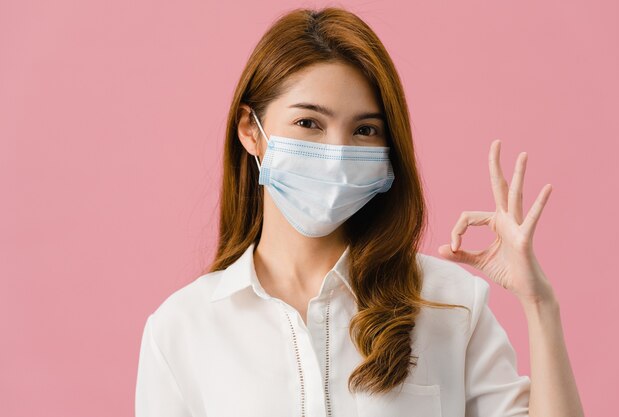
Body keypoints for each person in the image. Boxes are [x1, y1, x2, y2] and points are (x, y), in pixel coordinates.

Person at [135, 7, 584, 417]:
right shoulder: (181, 329)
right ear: (251, 131)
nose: (337, 152)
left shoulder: (451, 302)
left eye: (364, 130)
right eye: (309, 123)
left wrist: (539, 303)